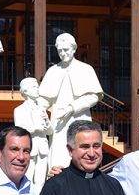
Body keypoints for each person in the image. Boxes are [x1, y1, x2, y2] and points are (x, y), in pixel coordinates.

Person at [39, 33, 103, 170]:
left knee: (80, 147)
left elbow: (94, 96)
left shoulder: (85, 69)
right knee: (58, 152)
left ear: (74, 49)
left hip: (79, 117)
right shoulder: (53, 71)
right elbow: (44, 98)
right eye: (60, 50)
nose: (63, 53)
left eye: (66, 50)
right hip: (58, 121)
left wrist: (73, 107)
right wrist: (40, 108)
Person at [14, 77, 53, 193]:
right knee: (28, 177)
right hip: (29, 148)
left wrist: (46, 124)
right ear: (25, 91)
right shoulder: (19, 110)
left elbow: (50, 131)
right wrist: (37, 128)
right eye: (34, 87)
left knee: (41, 180)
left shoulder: (41, 109)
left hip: (42, 147)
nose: (37, 89)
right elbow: (20, 130)